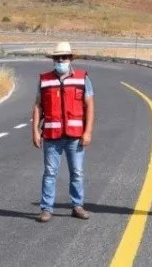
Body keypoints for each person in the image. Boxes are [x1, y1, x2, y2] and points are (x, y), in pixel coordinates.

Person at [32, 42, 95, 223]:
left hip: (75, 136)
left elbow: (90, 105)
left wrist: (88, 131)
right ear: (53, 60)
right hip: (52, 136)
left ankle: (77, 206)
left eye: (64, 58)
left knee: (77, 172)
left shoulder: (83, 78)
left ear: (70, 59)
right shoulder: (44, 80)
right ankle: (46, 209)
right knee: (50, 172)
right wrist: (35, 131)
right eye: (57, 58)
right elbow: (37, 106)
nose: (61, 61)